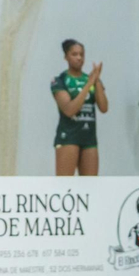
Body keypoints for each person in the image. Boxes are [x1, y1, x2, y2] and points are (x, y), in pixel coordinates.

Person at [51, 39, 107, 176]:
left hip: (89, 137)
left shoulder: (91, 79)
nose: (79, 58)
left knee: (90, 187)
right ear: (66, 57)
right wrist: (88, 85)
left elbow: (104, 107)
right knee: (65, 185)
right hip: (68, 136)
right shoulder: (60, 80)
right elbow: (69, 110)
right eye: (74, 54)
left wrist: (97, 80)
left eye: (81, 54)